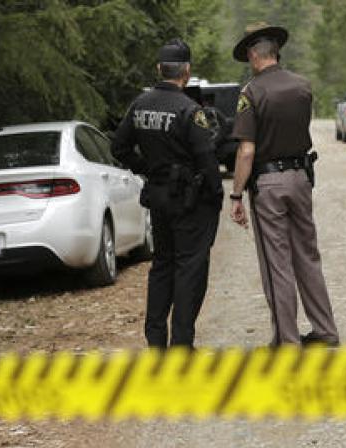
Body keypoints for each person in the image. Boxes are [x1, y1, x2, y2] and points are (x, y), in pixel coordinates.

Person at [228, 23, 339, 346]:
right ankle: (326, 331)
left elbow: (246, 151)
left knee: (276, 262)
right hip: (302, 178)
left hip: (269, 184)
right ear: (276, 52)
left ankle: (287, 341)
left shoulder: (251, 93)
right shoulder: (302, 86)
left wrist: (236, 194)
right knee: (307, 256)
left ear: (252, 55)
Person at [112, 39, 223, 349]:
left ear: (159, 69)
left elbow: (118, 147)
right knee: (190, 270)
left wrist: (148, 169)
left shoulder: (140, 104)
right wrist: (216, 198)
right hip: (191, 202)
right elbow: (207, 160)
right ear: (186, 72)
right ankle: (182, 346)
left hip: (159, 199)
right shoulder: (190, 110)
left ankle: (156, 341)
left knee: (162, 267)